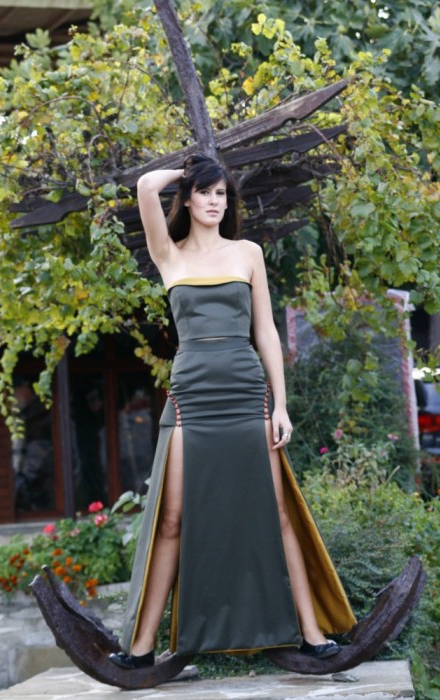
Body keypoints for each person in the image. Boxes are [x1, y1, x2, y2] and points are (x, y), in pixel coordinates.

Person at [110, 154, 355, 670]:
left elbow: (265, 330)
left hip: (246, 393)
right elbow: (146, 186)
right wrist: (191, 170)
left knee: (277, 513)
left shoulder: (247, 253)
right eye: (205, 193)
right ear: (188, 199)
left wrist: (280, 404)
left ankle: (312, 634)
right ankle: (141, 648)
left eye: (222, 193)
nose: (215, 202)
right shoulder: (168, 253)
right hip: (192, 396)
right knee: (172, 519)